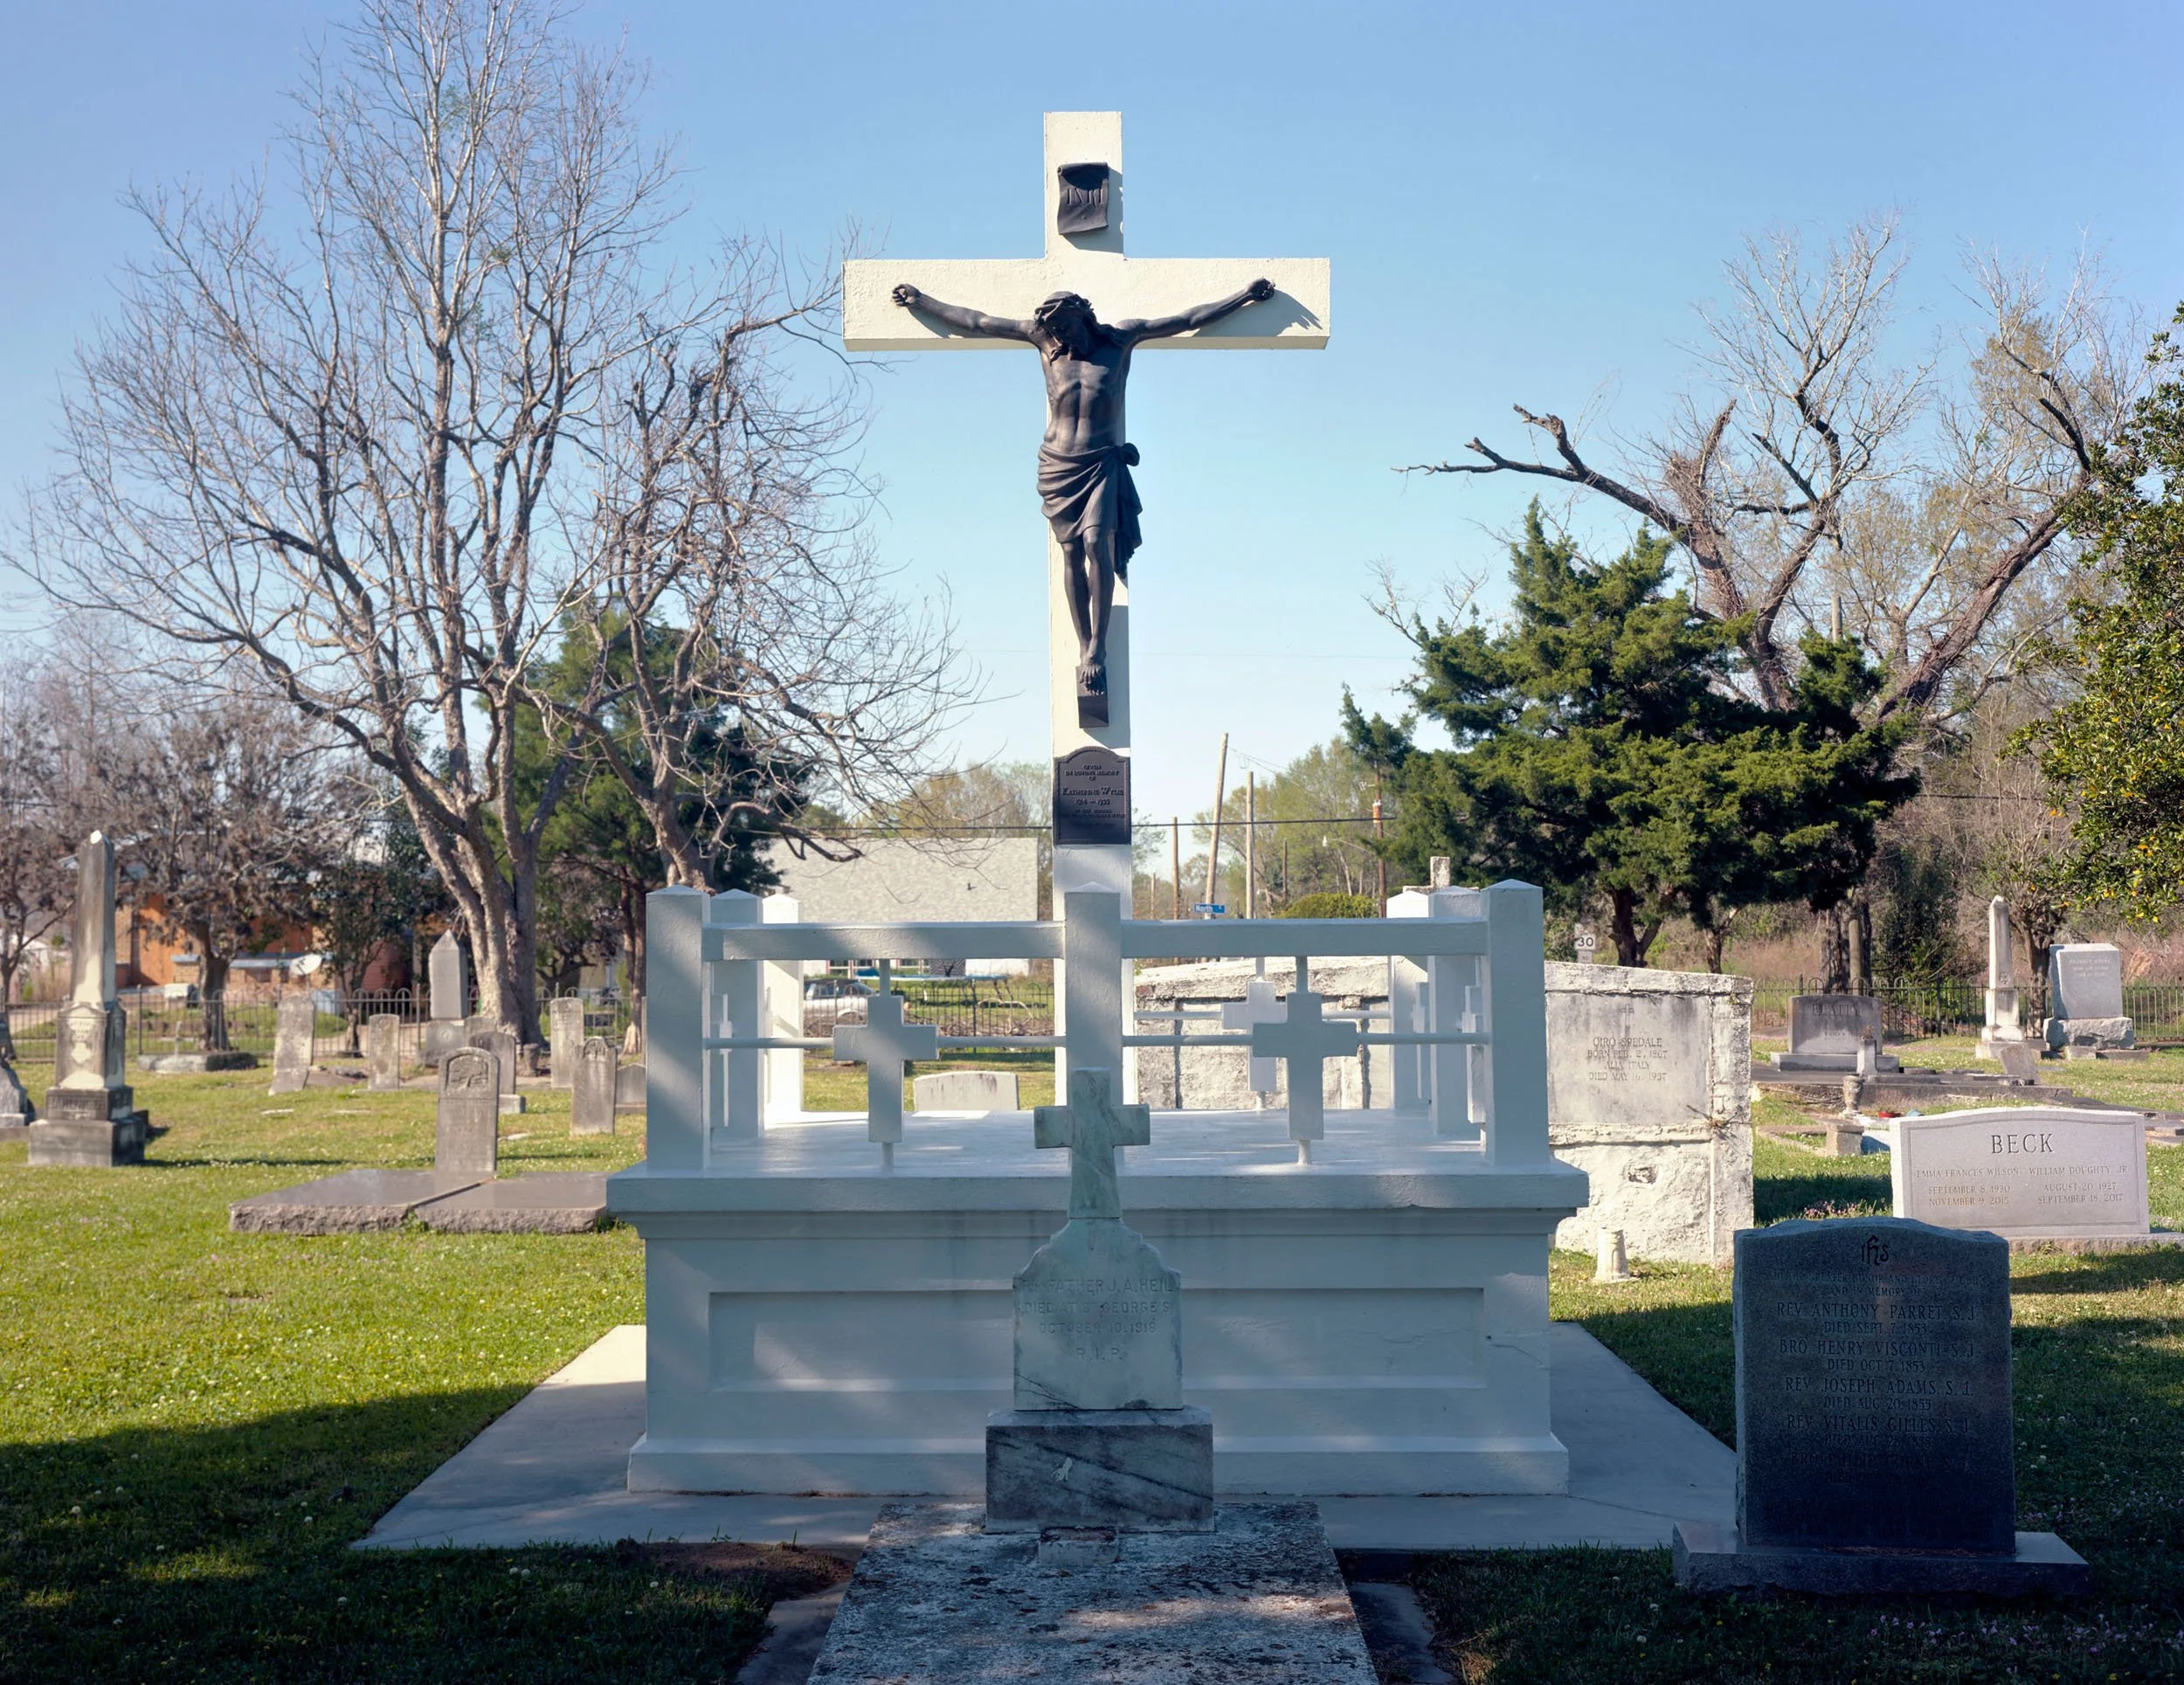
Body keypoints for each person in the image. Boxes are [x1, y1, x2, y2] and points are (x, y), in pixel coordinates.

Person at [891, 277, 1276, 718]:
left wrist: (1243, 298)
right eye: (1054, 333)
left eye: (1067, 331)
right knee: (1070, 553)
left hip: (1101, 464)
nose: (1062, 341)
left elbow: (1187, 320)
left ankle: (1097, 648)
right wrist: (922, 302)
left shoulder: (1121, 340)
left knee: (1098, 543)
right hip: (1059, 464)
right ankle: (1082, 643)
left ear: (1084, 317)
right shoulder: (1044, 341)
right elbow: (977, 322)